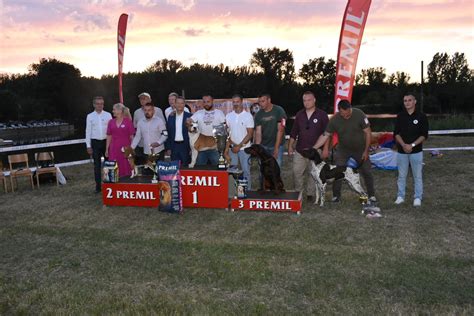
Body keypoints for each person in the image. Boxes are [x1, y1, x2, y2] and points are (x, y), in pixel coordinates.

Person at [313, 100, 376, 203]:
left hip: (360, 148)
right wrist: (314, 147)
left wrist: (366, 150)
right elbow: (325, 135)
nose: (345, 116)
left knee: (366, 171)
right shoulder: (335, 119)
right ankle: (336, 196)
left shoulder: (359, 114)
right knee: (337, 170)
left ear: (350, 108)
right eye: (343, 114)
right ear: (339, 111)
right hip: (343, 149)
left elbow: (368, 133)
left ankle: (371, 195)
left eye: (347, 114)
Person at [288, 91, 329, 202]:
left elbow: (327, 133)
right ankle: (298, 193)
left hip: (316, 151)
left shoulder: (322, 115)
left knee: (313, 173)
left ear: (314, 100)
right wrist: (290, 145)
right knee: (297, 172)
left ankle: (310, 194)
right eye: (304, 100)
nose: (306, 102)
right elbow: (294, 131)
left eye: (309, 100)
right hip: (300, 150)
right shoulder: (299, 114)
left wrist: (325, 148)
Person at [393, 93, 429, 207]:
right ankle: (400, 196)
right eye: (405, 101)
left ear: (415, 102)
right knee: (401, 175)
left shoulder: (421, 116)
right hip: (402, 151)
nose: (407, 102)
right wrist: (404, 145)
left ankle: (417, 197)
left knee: (417, 176)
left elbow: (424, 135)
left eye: (409, 100)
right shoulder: (400, 116)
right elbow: (396, 134)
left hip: (416, 151)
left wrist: (412, 145)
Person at [225, 94, 254, 189]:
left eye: (237, 102)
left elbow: (250, 134)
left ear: (242, 102)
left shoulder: (248, 116)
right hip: (232, 149)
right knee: (232, 172)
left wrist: (239, 146)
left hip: (245, 149)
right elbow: (226, 133)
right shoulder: (228, 116)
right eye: (233, 102)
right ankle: (234, 194)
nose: (235, 104)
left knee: (246, 171)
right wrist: (230, 146)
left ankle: (248, 193)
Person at [188, 94, 226, 166]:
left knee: (219, 167)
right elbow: (190, 121)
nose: (206, 104)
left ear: (212, 101)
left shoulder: (219, 113)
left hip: (214, 146)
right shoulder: (198, 113)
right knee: (200, 168)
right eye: (204, 102)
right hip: (201, 147)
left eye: (208, 101)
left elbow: (224, 127)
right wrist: (187, 120)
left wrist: (221, 142)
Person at [85, 96, 112, 193]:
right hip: (95, 143)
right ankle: (98, 187)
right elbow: (88, 131)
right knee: (97, 166)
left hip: (106, 142)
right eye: (98, 103)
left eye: (101, 103)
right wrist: (88, 145)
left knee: (108, 164)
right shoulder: (90, 116)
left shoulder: (108, 115)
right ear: (94, 104)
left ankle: (109, 185)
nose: (100, 105)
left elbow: (111, 130)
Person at [254, 93, 287, 166]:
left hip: (277, 144)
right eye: (259, 102)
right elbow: (258, 133)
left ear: (269, 100)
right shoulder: (258, 114)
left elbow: (280, 130)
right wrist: (257, 148)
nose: (261, 104)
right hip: (264, 145)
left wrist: (276, 148)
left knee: (276, 167)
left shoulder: (279, 110)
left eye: (263, 101)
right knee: (263, 168)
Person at [133, 92, 166, 164]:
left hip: (158, 150)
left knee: (160, 173)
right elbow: (137, 136)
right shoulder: (140, 122)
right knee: (148, 173)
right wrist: (131, 148)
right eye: (145, 110)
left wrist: (158, 142)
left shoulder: (159, 120)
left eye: (149, 110)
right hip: (146, 151)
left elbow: (165, 134)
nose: (147, 112)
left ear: (153, 111)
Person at [105, 103, 135, 177]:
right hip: (113, 148)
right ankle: (115, 183)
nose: (113, 111)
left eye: (114, 109)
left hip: (126, 148)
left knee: (126, 165)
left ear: (120, 110)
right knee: (114, 166)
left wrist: (132, 148)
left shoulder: (128, 121)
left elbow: (132, 136)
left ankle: (127, 183)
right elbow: (109, 136)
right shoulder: (111, 122)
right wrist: (106, 149)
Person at [165, 96, 192, 166]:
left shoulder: (190, 116)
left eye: (182, 103)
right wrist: (168, 148)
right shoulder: (170, 117)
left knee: (186, 168)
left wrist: (191, 148)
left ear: (184, 104)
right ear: (175, 104)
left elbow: (194, 133)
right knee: (174, 168)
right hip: (174, 147)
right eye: (178, 103)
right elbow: (168, 133)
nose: (180, 105)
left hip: (185, 146)